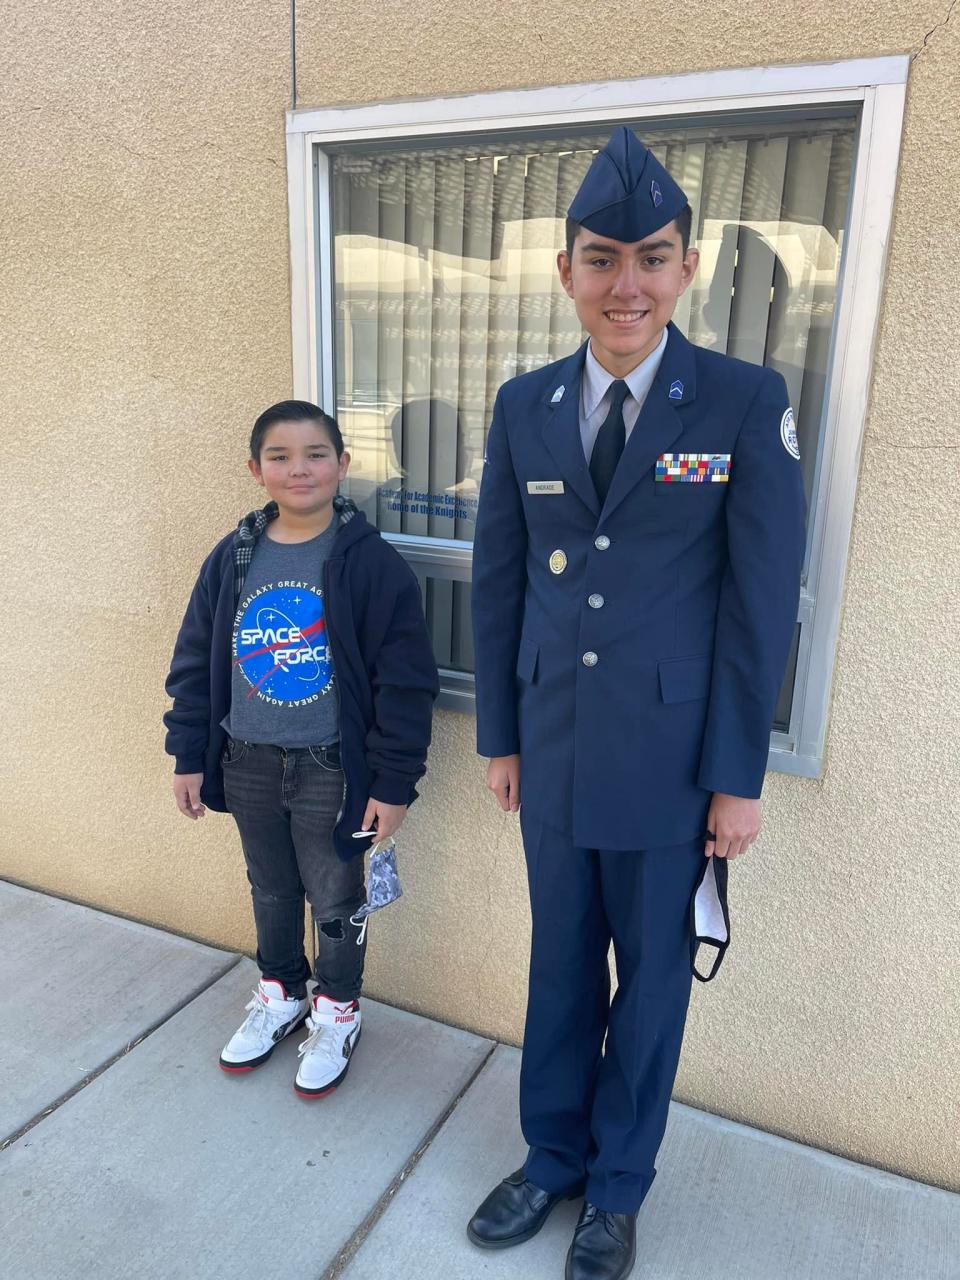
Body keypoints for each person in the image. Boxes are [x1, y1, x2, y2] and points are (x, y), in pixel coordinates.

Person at [467, 128, 805, 1280]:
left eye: (652, 258)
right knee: (559, 969)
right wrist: (502, 741)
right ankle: (551, 1154)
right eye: (604, 258)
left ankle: (617, 1187)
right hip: (554, 753)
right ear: (566, 270)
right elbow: (502, 580)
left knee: (652, 984)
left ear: (688, 268)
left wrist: (738, 776)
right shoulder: (524, 405)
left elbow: (761, 605)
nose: (628, 284)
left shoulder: (745, 403)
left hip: (671, 766)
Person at [164, 400, 437, 1097]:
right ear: (256, 469)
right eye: (279, 457)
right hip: (246, 757)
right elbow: (197, 660)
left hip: (330, 770)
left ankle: (338, 1009)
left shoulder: (371, 566)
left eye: (316, 453)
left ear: (343, 464)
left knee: (336, 898)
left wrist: (394, 783)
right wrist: (188, 753)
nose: (299, 468)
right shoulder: (234, 557)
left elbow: (405, 684)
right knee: (271, 889)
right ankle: (281, 992)